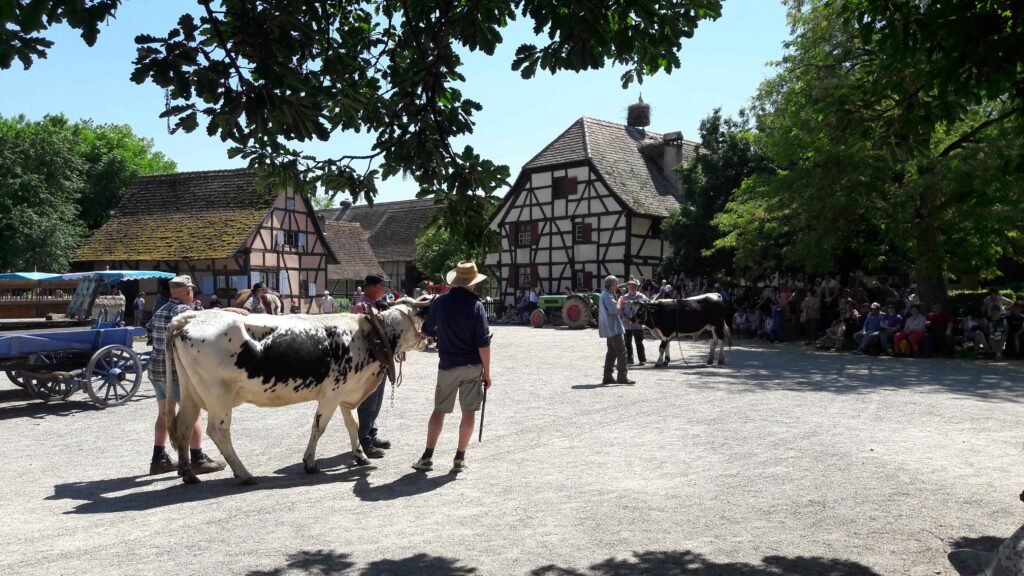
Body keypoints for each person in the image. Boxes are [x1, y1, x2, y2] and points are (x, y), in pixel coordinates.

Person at [412, 261, 492, 474]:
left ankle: (427, 457)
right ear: (473, 283)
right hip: (472, 365)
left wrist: (424, 334)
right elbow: (483, 343)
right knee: (468, 412)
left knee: (439, 410)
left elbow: (427, 331)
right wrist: (487, 372)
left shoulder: (441, 302)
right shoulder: (477, 306)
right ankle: (459, 458)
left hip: (448, 365)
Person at [146, 275, 225, 476]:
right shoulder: (184, 312)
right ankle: (197, 457)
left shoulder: (161, 310)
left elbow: (149, 331)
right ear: (189, 292)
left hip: (156, 370)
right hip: (176, 372)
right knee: (192, 412)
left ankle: (158, 458)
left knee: (164, 414)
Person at [351, 272, 391, 459]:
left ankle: (372, 433)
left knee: (376, 401)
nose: (385, 289)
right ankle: (364, 440)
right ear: (375, 287)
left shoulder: (375, 305)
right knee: (368, 402)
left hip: (380, 360)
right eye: (383, 286)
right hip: (369, 363)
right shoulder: (362, 307)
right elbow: (360, 336)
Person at [599, 275, 634, 385]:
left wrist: (620, 304)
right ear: (612, 285)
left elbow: (614, 309)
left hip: (609, 328)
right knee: (622, 352)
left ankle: (607, 377)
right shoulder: (608, 296)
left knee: (612, 352)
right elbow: (614, 311)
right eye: (616, 284)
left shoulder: (605, 294)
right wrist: (619, 301)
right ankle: (622, 377)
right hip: (613, 328)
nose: (617, 285)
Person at [621, 279, 648, 365]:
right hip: (626, 324)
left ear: (636, 287)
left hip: (637, 323)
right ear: (628, 287)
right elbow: (620, 308)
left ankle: (642, 360)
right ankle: (629, 360)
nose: (632, 288)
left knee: (639, 342)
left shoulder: (641, 297)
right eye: (630, 286)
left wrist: (640, 318)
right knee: (627, 342)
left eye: (634, 286)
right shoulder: (624, 297)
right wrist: (623, 316)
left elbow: (646, 307)